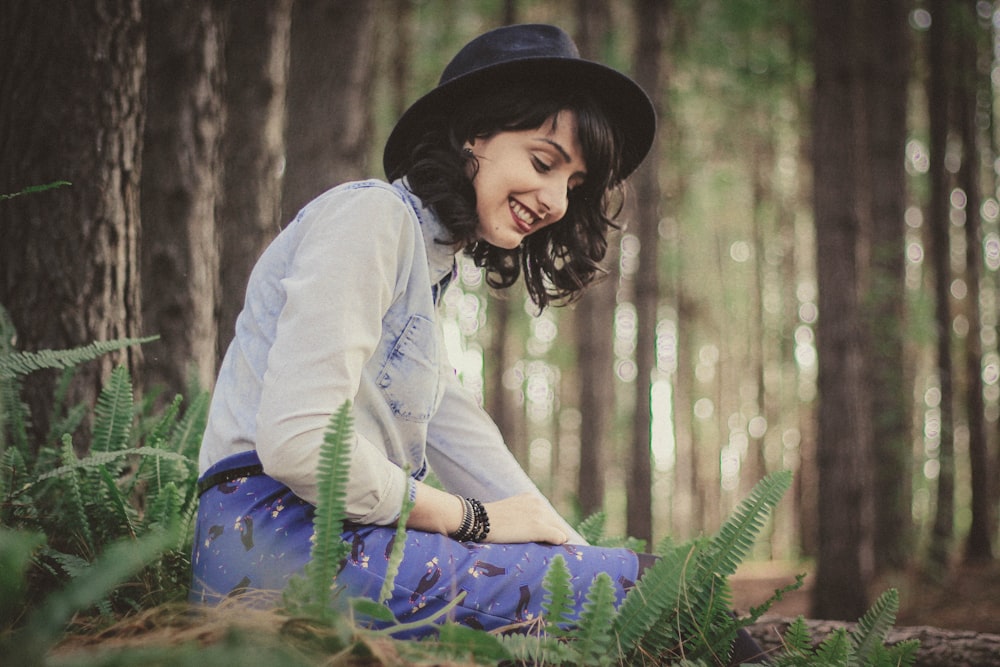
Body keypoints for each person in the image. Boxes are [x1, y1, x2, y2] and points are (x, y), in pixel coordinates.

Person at [190, 23, 766, 664]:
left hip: (322, 546)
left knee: (650, 591)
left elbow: (472, 446)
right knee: (669, 595)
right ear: (473, 133)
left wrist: (573, 555)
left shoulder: (425, 278)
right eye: (543, 162)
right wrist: (477, 521)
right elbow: (301, 446)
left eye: (572, 186)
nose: (552, 200)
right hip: (278, 546)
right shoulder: (369, 217)